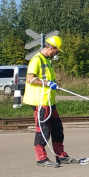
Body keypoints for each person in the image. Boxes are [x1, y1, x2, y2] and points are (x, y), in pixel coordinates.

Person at [24, 35, 70, 166]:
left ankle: (60, 155)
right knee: (42, 130)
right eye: (57, 51)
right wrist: (46, 83)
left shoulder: (47, 61)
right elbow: (30, 78)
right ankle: (41, 158)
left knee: (57, 128)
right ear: (52, 48)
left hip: (49, 101)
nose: (57, 53)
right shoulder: (36, 60)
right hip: (40, 101)